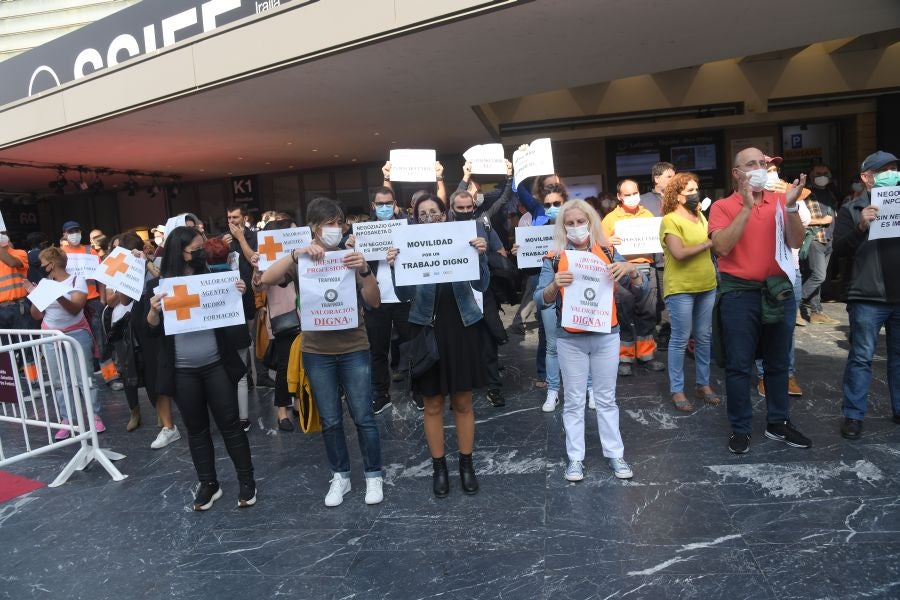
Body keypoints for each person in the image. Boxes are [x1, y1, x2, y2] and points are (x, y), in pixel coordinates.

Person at [261, 197, 384, 507]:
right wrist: (295, 254)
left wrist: (365, 270)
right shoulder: (302, 261)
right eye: (331, 224)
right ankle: (340, 476)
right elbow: (266, 279)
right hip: (317, 351)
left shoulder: (349, 256)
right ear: (315, 227)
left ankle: (373, 475)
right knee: (329, 419)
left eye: (340, 223)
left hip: (354, 346)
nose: (337, 229)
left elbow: (375, 301)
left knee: (364, 416)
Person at [709, 147, 812, 454]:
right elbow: (722, 247)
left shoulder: (781, 202)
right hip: (739, 294)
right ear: (736, 173)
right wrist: (745, 207)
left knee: (778, 363)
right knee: (739, 366)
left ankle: (778, 423)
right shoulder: (722, 206)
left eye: (763, 164)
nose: (760, 168)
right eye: (751, 164)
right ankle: (740, 428)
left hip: (777, 291)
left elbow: (795, 241)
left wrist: (792, 208)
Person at [147, 225, 255, 511]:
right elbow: (151, 329)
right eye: (195, 249)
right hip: (182, 371)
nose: (200, 253)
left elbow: (233, 314)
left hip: (215, 364)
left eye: (201, 248)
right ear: (179, 252)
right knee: (196, 430)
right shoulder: (160, 287)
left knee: (231, 425)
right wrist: (153, 311)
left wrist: (240, 294)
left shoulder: (212, 280)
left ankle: (247, 481)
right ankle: (208, 484)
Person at [388, 193, 490, 497]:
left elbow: (481, 285)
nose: (429, 217)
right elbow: (404, 295)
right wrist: (396, 265)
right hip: (425, 329)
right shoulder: (408, 245)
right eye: (423, 214)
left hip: (462, 327)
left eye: (434, 212)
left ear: (444, 215)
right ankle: (439, 468)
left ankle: (466, 466)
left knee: (462, 401)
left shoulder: (463, 240)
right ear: (415, 218)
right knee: (432, 403)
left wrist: (481, 257)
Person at [534, 199, 642, 481]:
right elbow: (539, 299)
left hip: (606, 334)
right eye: (569, 223)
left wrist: (631, 270)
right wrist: (554, 285)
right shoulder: (555, 257)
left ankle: (615, 455)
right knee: (572, 401)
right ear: (562, 227)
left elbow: (636, 286)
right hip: (570, 339)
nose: (576, 227)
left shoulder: (607, 250)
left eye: (580, 222)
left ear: (591, 223)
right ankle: (575, 459)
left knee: (606, 399)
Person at [833, 150, 900, 439]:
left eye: (894, 169)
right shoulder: (851, 209)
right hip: (867, 297)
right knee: (861, 357)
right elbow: (839, 250)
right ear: (867, 177)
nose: (891, 174)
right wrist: (861, 226)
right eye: (884, 169)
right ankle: (854, 416)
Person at [24, 247, 105, 438]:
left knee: (84, 378)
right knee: (59, 381)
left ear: (52, 264)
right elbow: (36, 314)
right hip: (51, 335)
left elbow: (75, 309)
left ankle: (94, 416)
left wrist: (57, 295)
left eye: (43, 263)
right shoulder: (44, 283)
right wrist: (36, 296)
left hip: (76, 333)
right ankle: (66, 419)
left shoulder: (77, 281)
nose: (42, 267)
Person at [659, 173, 720, 412]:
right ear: (677, 195)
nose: (696, 194)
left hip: (706, 284)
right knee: (680, 339)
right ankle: (677, 389)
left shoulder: (701, 216)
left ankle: (702, 385)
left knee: (704, 337)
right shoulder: (670, 220)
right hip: (681, 288)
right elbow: (679, 253)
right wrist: (709, 242)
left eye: (697, 188)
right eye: (690, 190)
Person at [755, 156, 809, 398]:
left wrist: (789, 197)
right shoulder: (750, 197)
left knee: (787, 327)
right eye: (766, 169)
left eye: (774, 169)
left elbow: (805, 221)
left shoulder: (791, 192)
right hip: (762, 272)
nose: (771, 174)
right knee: (764, 325)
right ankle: (764, 376)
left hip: (790, 270)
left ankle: (788, 375)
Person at [602, 179, 664, 375]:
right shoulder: (610, 219)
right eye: (627, 194)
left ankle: (646, 356)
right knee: (623, 315)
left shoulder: (648, 215)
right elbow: (599, 247)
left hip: (646, 267)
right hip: (620, 270)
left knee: (648, 314)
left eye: (635, 193)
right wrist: (608, 242)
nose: (632, 197)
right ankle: (625, 359)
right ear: (619, 196)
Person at [364, 186, 413, 414]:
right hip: (377, 299)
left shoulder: (408, 227)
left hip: (405, 297)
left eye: (388, 203)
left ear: (395, 204)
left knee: (412, 347)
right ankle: (381, 394)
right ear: (373, 206)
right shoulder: (364, 231)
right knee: (378, 350)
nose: (384, 207)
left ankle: (419, 391)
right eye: (379, 204)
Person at [253, 216, 302, 431]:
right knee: (284, 365)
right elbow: (258, 287)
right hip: (284, 318)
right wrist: (256, 269)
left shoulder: (301, 256)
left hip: (308, 315)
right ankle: (282, 410)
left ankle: (300, 403)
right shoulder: (267, 259)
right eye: (291, 232)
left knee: (303, 362)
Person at [223, 203, 274, 389]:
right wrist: (223, 246)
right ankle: (245, 377)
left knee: (257, 334)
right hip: (233, 293)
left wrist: (241, 238)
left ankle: (261, 374)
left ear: (244, 218)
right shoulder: (226, 239)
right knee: (240, 337)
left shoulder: (255, 236)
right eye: (229, 218)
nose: (231, 221)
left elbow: (255, 259)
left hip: (254, 290)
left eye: (235, 217)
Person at [641, 161, 676, 350]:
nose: (673, 180)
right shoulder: (643, 201)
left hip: (677, 258)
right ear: (656, 179)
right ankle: (660, 333)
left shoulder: (680, 198)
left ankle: (671, 333)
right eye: (669, 177)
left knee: (672, 297)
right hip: (653, 260)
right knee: (655, 300)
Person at [800, 164, 840, 325]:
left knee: (818, 278)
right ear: (811, 175)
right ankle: (795, 302)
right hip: (814, 239)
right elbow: (798, 217)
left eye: (825, 173)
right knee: (819, 276)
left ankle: (816, 312)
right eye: (818, 173)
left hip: (829, 239)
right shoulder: (805, 194)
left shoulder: (831, 194)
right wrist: (821, 221)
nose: (821, 176)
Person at [61, 221, 104, 365]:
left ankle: (109, 373)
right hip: (73, 302)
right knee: (79, 338)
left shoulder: (90, 251)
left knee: (100, 337)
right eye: (71, 232)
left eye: (76, 231)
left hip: (93, 300)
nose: (74, 234)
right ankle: (88, 371)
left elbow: (101, 278)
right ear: (64, 235)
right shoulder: (61, 254)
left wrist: (102, 298)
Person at [0, 230, 32, 332]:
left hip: (18, 307)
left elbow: (12, 263)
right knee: (7, 346)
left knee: (26, 344)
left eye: (2, 233)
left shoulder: (20, 253)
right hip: (1, 310)